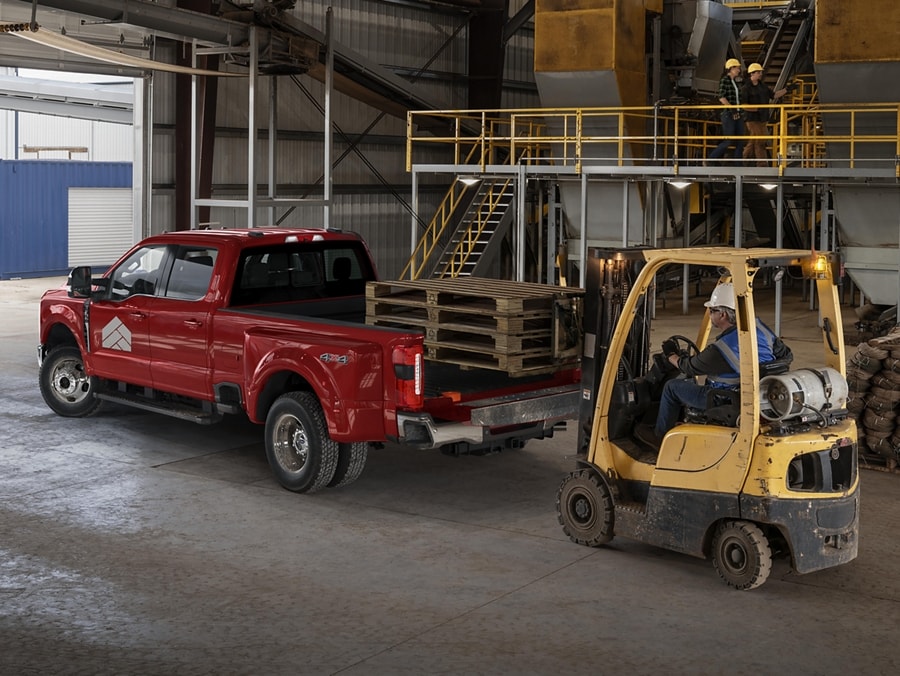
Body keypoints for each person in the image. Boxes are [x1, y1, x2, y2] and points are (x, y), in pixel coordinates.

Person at [636, 282, 792, 447]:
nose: (710, 314)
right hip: (759, 394)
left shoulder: (721, 349)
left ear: (723, 315)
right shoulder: (760, 329)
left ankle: (659, 437)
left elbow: (688, 366)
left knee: (672, 387)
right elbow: (786, 355)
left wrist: (671, 356)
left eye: (712, 311)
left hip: (723, 398)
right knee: (690, 382)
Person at [741, 63, 788, 166]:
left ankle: (744, 158)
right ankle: (761, 163)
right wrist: (756, 109)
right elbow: (743, 105)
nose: (760, 74)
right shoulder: (746, 88)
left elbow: (774, 95)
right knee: (760, 141)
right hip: (752, 119)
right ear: (751, 74)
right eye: (758, 72)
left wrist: (786, 90)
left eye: (760, 72)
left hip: (762, 118)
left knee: (754, 140)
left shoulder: (763, 87)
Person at [707, 58, 745, 163]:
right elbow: (722, 97)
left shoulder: (735, 83)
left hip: (738, 113)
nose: (739, 70)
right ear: (731, 68)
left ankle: (738, 165)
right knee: (728, 141)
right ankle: (710, 159)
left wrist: (738, 111)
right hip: (729, 114)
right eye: (737, 68)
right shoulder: (725, 80)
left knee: (740, 141)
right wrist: (732, 110)